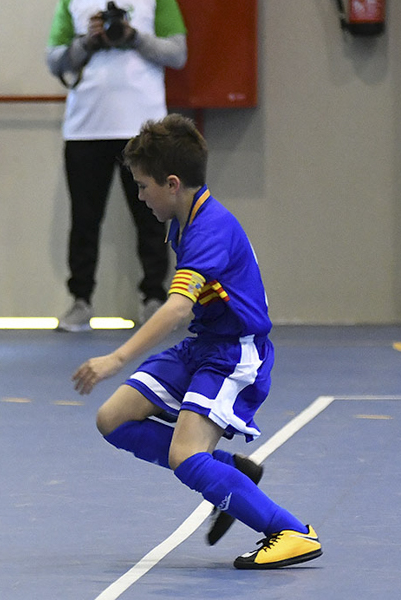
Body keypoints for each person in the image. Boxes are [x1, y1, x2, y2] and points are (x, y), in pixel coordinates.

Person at [71, 114, 322, 569]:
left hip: (233, 353)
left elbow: (176, 308)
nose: (140, 196)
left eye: (143, 186)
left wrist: (117, 358)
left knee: (185, 454)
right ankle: (226, 468)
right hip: (204, 344)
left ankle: (290, 531)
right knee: (114, 418)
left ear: (171, 183)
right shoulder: (181, 220)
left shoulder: (208, 228)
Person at [46, 0, 187, 332]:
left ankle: (154, 298)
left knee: (152, 218)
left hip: (143, 129)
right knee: (84, 220)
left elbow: (178, 53)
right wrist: (88, 41)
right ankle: (80, 301)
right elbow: (54, 60)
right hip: (85, 129)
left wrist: (134, 36)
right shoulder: (73, 2)